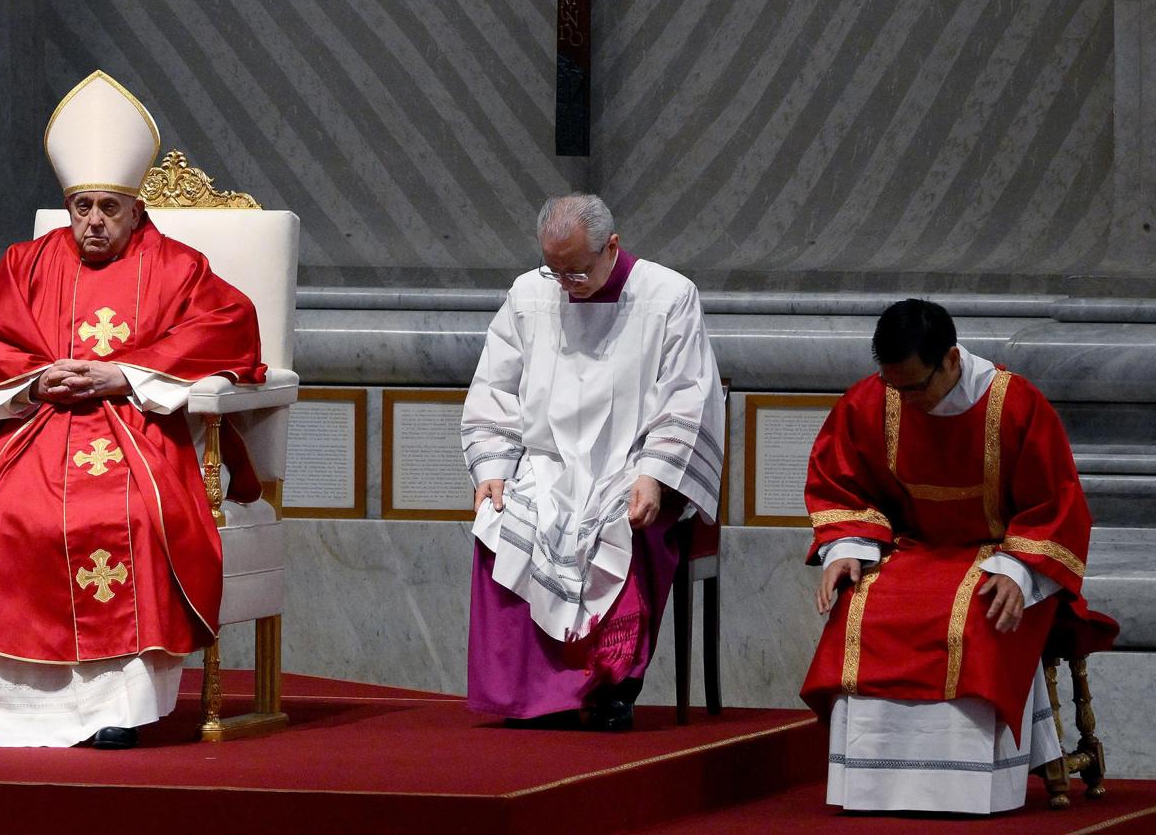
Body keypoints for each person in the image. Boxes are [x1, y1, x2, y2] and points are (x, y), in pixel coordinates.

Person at [0, 70, 266, 749]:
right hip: (38, 431)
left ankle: (117, 708)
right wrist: (38, 384)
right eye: (81, 207)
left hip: (135, 429)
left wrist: (121, 374)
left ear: (135, 208)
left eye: (108, 206)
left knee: (124, 518)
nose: (94, 221)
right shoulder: (28, 262)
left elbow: (229, 324)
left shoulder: (178, 266)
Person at [801, 299, 1116, 814]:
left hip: (999, 557)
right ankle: (872, 787)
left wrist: (1019, 569)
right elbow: (841, 483)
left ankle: (969, 789)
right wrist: (847, 547)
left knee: (979, 612)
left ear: (950, 360)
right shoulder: (872, 401)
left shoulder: (1014, 405)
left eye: (915, 387)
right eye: (893, 386)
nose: (904, 399)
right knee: (860, 606)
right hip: (909, 552)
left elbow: (1055, 502)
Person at [461, 193, 724, 731]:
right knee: (499, 518)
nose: (565, 284)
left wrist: (654, 474)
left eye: (576, 271)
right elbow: (494, 386)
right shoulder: (529, 293)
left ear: (612, 246)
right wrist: (491, 469)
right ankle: (526, 695)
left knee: (630, 525)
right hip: (547, 463)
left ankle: (611, 689)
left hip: (635, 463)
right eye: (553, 270)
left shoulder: (669, 296)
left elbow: (689, 397)